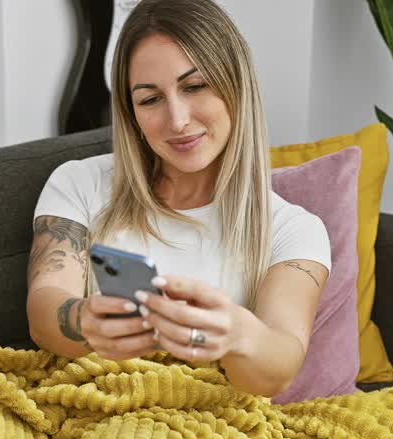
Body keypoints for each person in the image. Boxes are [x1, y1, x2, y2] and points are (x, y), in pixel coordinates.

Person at [26, 0, 331, 399]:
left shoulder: (295, 229)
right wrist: (84, 321)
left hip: (211, 427)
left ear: (236, 85)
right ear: (130, 111)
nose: (178, 120)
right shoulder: (78, 182)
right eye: (150, 99)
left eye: (195, 86)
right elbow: (44, 307)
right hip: (89, 405)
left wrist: (236, 334)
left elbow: (278, 367)